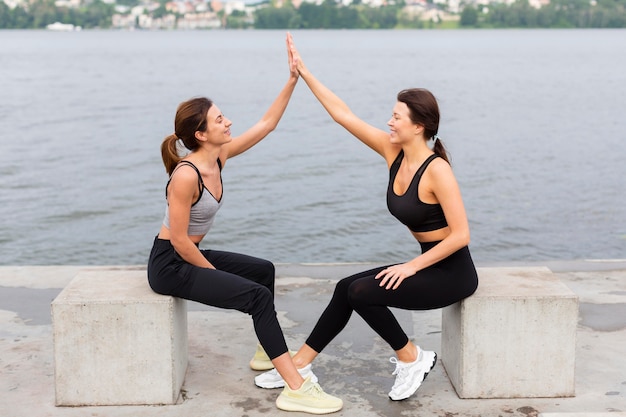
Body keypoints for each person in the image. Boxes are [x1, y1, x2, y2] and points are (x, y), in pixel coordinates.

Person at [254, 33, 479, 402]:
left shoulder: (437, 169)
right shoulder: (394, 153)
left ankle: (412, 357)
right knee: (346, 287)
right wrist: (304, 73)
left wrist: (410, 267)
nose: (389, 122)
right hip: (427, 266)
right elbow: (343, 115)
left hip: (452, 273)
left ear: (418, 126)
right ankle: (299, 366)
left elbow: (461, 234)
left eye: (396, 117)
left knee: (362, 292)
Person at [147, 34, 342, 414]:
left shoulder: (218, 157)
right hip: (170, 264)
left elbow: (267, 124)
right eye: (220, 119)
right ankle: (296, 388)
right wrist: (214, 276)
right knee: (255, 296)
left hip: (188, 255)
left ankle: (267, 353)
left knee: (262, 271)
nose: (229, 121)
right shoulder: (186, 176)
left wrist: (292, 78)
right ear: (200, 134)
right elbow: (182, 244)